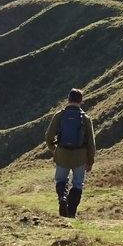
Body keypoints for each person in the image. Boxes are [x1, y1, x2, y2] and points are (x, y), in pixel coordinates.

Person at [45, 89, 96, 218]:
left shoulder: (59, 115)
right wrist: (90, 161)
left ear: (68, 99)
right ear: (81, 101)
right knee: (78, 183)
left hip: (62, 154)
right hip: (80, 156)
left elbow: (49, 136)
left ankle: (62, 198)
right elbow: (91, 143)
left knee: (61, 180)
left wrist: (54, 150)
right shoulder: (85, 118)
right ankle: (71, 211)